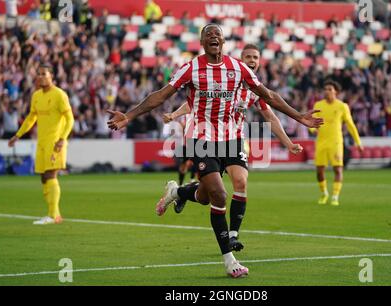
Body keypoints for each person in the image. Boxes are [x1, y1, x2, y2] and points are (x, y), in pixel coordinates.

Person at [107, 24, 323, 278]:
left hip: (231, 139)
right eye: (208, 35)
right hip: (200, 138)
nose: (213, 37)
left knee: (208, 196)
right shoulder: (191, 68)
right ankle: (230, 259)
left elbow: (269, 96)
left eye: (217, 34)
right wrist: (129, 116)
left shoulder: (238, 68)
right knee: (219, 195)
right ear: (201, 42)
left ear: (223, 41)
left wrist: (299, 117)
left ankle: (178, 192)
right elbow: (161, 95)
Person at [163, 44, 304, 252]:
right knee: (205, 196)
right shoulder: (227, 79)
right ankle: (179, 192)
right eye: (248, 56)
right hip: (207, 138)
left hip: (233, 140)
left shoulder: (255, 91)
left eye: (255, 57)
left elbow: (270, 116)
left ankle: (233, 235)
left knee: (240, 181)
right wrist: (175, 115)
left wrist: (288, 142)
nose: (252, 60)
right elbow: (195, 102)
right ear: (241, 59)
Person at [8, 65, 74, 225]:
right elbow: (31, 118)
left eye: (44, 74)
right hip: (42, 142)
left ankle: (52, 216)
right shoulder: (36, 95)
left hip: (55, 141)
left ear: (51, 76)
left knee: (51, 175)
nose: (40, 77)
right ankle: (55, 215)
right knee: (44, 178)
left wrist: (62, 138)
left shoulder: (59, 95)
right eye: (38, 74)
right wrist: (18, 135)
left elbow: (70, 119)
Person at [312, 81, 362, 207]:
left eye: (329, 89)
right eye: (325, 89)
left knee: (338, 169)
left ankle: (335, 196)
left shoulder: (342, 106)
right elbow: (311, 122)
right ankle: (324, 194)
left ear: (336, 92)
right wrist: (312, 129)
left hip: (336, 142)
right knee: (319, 171)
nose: (326, 91)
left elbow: (350, 125)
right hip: (321, 142)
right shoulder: (318, 105)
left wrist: (358, 142)